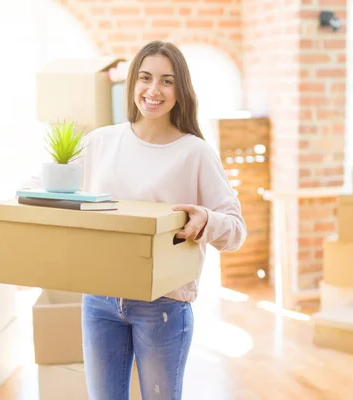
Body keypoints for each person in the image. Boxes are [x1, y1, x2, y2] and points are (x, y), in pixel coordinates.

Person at [21, 40, 246, 399]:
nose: (153, 90)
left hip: (164, 306)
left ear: (180, 90)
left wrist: (205, 219)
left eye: (166, 81)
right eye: (145, 78)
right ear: (132, 84)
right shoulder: (100, 142)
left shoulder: (195, 153)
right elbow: (46, 187)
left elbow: (235, 231)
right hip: (99, 300)